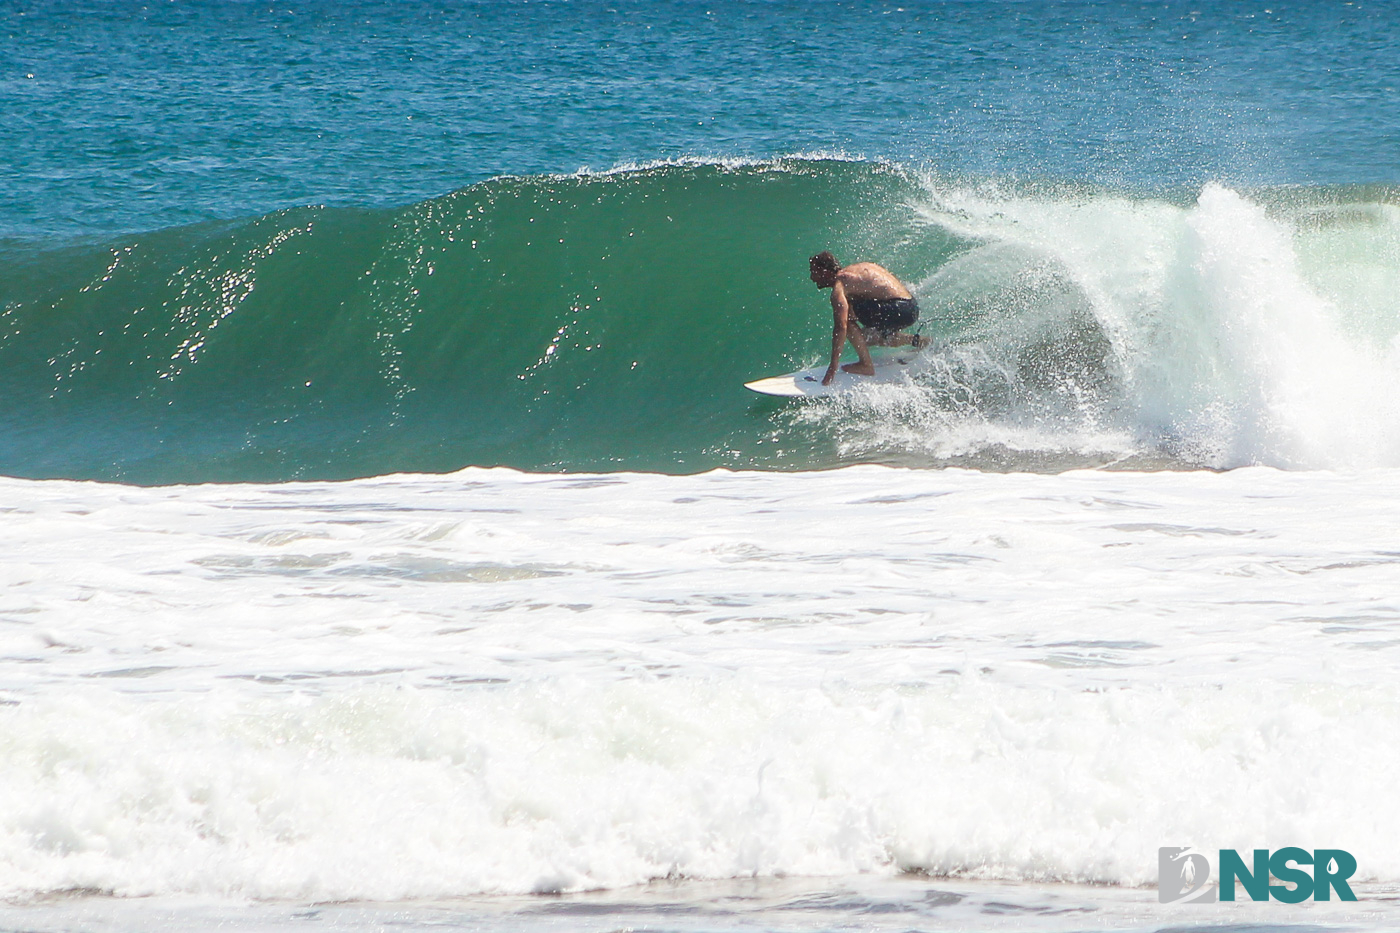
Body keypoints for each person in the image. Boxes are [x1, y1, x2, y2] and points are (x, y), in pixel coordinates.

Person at [808, 251, 926, 386]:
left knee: (847, 318)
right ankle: (919, 341)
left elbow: (841, 326)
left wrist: (833, 366)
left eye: (814, 272)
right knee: (865, 338)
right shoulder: (856, 271)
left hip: (898, 309)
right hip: (911, 308)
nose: (812, 278)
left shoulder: (840, 285)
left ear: (825, 271)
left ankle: (866, 365)